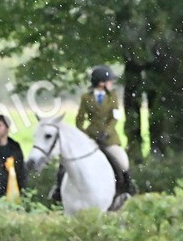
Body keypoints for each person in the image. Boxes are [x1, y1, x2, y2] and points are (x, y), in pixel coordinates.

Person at [53, 65, 132, 205]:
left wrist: (106, 132)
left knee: (122, 161)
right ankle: (58, 189)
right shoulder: (86, 98)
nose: (111, 84)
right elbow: (79, 119)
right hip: (90, 137)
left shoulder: (113, 96)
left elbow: (114, 118)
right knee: (65, 162)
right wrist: (84, 136)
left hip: (109, 138)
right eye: (109, 81)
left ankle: (126, 189)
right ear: (101, 83)